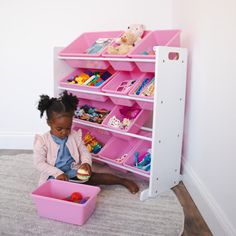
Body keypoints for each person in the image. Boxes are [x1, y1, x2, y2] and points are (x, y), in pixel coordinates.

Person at [33, 91, 139, 194]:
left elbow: (84, 152)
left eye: (68, 128)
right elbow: (39, 163)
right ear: (49, 123)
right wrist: (57, 173)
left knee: (93, 177)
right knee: (54, 192)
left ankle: (122, 181)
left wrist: (86, 163)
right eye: (59, 129)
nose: (64, 132)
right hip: (53, 176)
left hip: (72, 170)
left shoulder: (74, 136)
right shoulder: (42, 141)